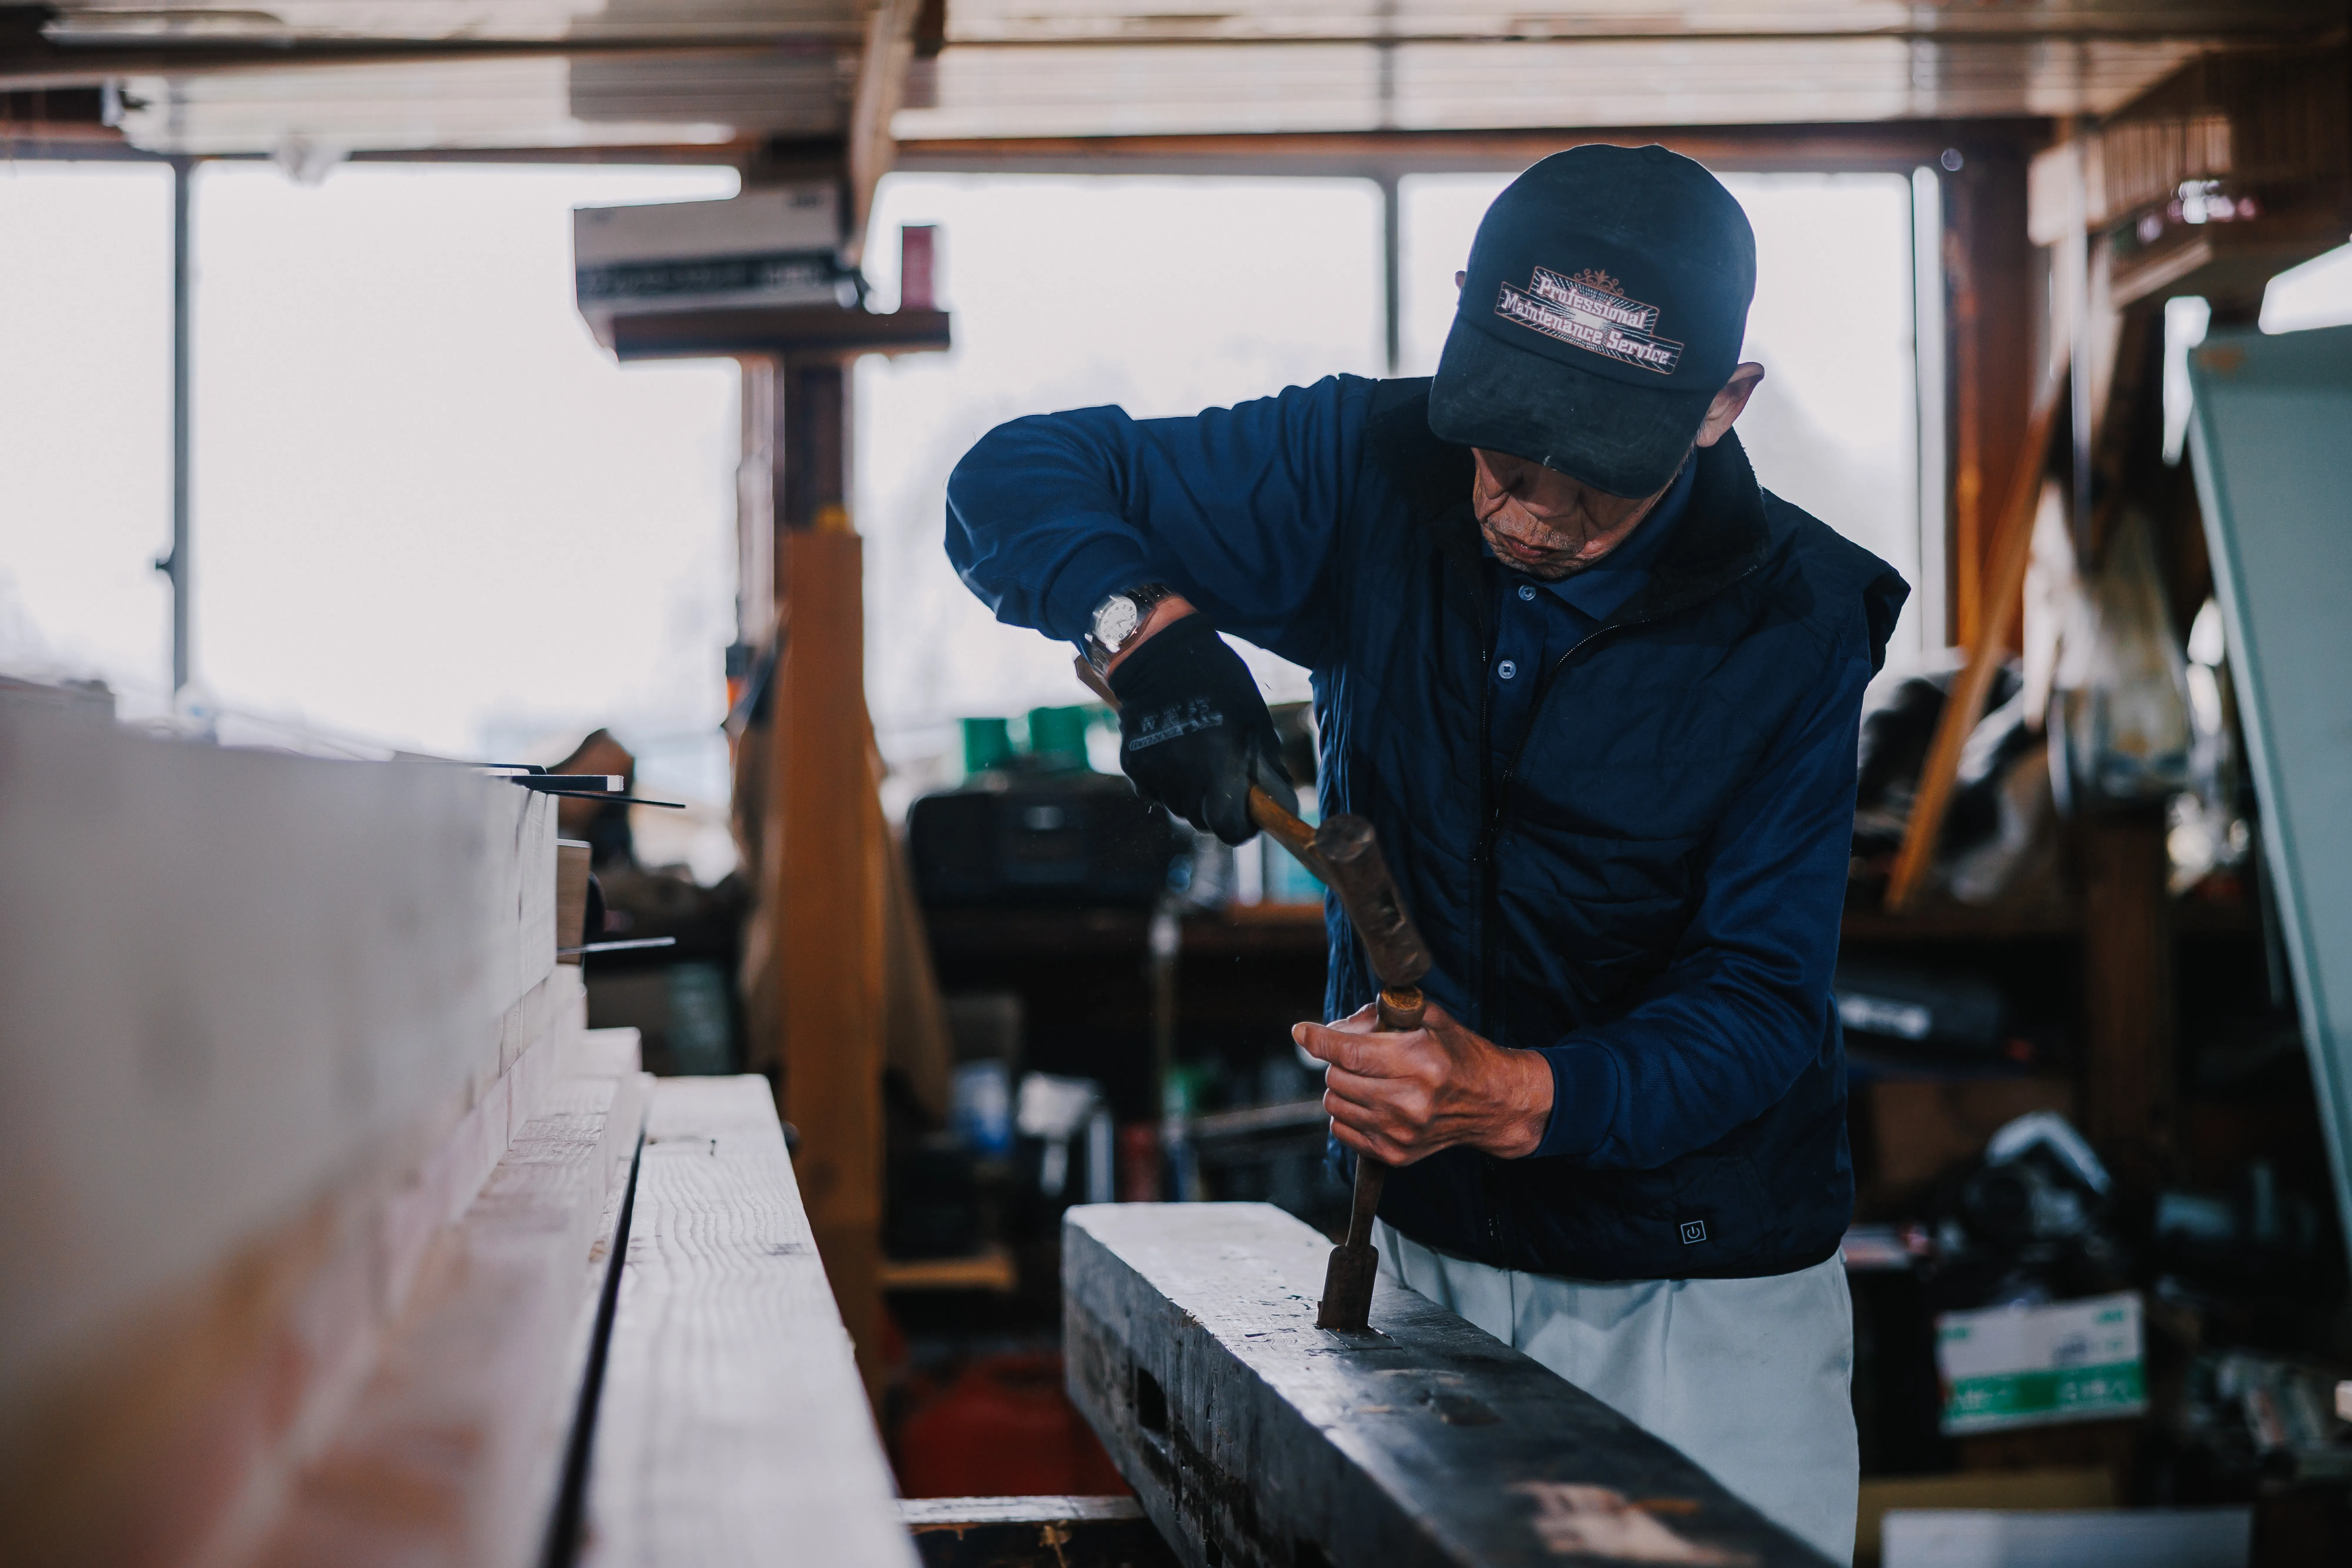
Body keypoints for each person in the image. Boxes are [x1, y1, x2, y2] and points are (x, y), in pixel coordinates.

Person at [944, 144, 1907, 1562]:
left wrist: (1521, 1094)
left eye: (1590, 487)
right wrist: (1143, 641)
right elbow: (1015, 476)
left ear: (1719, 405)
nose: (1522, 513)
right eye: (1504, 456)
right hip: (1425, 1260)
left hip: (1698, 1300)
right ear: (1463, 317)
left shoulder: (1802, 620)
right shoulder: (1367, 469)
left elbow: (1760, 1004)